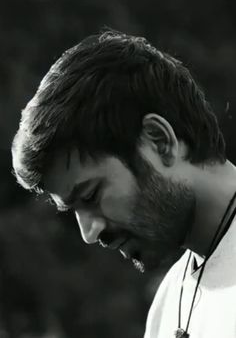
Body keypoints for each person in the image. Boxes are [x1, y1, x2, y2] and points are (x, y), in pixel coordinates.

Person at [12, 29, 236, 338]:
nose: (89, 234)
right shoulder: (167, 305)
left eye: (91, 195)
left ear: (159, 141)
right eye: (73, 210)